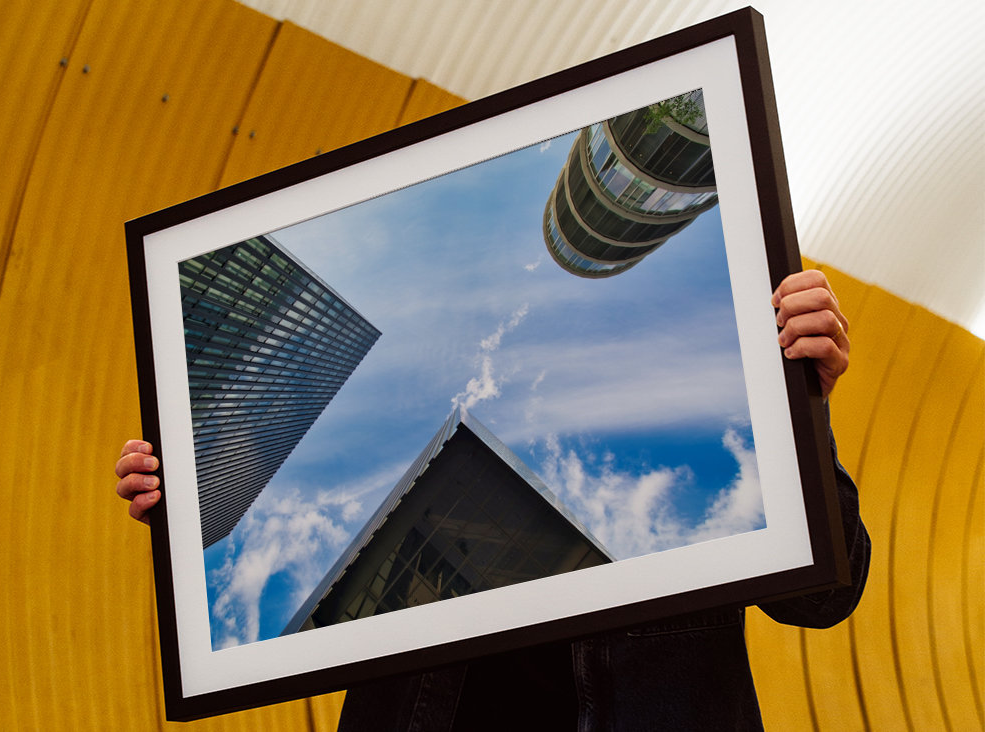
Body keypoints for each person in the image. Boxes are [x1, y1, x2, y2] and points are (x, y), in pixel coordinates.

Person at [116, 270, 869, 731]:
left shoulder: (694, 440)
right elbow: (295, 538)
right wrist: (192, 504)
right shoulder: (418, 471)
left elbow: (826, 595)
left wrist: (798, 405)